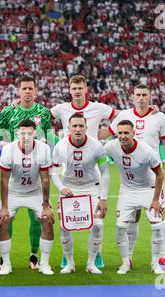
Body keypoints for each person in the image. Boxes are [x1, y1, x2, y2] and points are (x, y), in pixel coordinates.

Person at [99, 84, 165, 269]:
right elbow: (105, 134)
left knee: (157, 218)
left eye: (144, 95)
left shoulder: (159, 116)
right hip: (129, 179)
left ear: (150, 97)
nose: (141, 98)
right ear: (133, 97)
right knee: (132, 218)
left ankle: (160, 259)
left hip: (152, 176)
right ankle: (128, 258)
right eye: (138, 95)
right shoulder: (124, 115)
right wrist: (82, 131)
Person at [0, 75, 58, 270]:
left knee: (37, 217)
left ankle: (34, 256)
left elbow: (50, 136)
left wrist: (49, 153)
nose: (27, 91)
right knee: (6, 216)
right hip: (14, 166)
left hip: (36, 167)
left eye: (30, 88)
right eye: (24, 88)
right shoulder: (9, 110)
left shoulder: (43, 112)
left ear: (35, 91)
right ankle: (4, 260)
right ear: (18, 91)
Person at [50, 74, 116, 269]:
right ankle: (67, 259)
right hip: (69, 181)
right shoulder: (61, 114)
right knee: (65, 224)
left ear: (86, 88)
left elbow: (122, 116)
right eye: (74, 88)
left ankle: (94, 257)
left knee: (97, 224)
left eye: (80, 88)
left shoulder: (98, 110)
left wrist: (108, 132)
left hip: (92, 177)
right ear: (69, 90)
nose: (77, 91)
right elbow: (40, 117)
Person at [104, 120, 165, 275]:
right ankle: (126, 262)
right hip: (127, 190)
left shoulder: (146, 151)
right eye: (120, 133)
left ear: (134, 133)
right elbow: (95, 152)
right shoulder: (111, 146)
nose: (123, 136)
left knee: (157, 225)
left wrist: (156, 199)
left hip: (148, 189)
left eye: (126, 133)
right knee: (120, 227)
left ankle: (156, 263)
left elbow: (159, 174)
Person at [0, 119, 54, 275]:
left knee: (48, 219)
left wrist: (46, 205)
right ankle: (6, 264)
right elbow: (3, 180)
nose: (26, 136)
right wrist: (5, 207)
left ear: (35, 133)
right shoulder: (8, 149)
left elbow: (45, 179)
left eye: (29, 133)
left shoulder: (44, 149)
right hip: (13, 192)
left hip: (35, 192)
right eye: (23, 133)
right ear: (17, 133)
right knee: (3, 220)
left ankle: (44, 264)